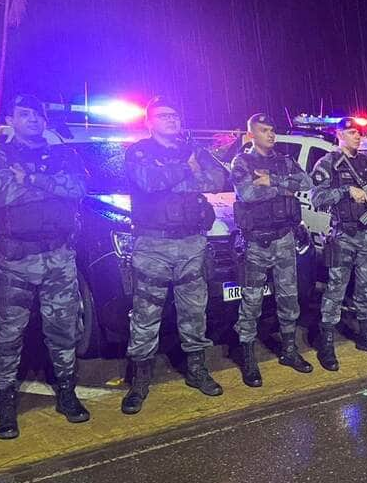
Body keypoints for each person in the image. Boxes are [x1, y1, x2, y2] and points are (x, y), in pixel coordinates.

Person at [0, 94, 89, 439]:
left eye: (38, 115)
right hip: (16, 261)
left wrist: (31, 180)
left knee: (63, 330)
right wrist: (50, 187)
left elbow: (78, 188)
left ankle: (66, 392)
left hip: (59, 258)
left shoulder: (63, 153)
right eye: (24, 115)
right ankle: (6, 403)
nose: (33, 120)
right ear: (11, 119)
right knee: (8, 335)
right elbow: (5, 195)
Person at [121, 97, 229, 414]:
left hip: (191, 243)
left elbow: (217, 179)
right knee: (145, 315)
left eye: (175, 114)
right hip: (153, 245)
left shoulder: (193, 149)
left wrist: (177, 175)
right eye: (164, 115)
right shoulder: (139, 150)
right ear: (149, 122)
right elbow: (148, 182)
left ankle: (197, 370)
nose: (172, 119)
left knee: (194, 311)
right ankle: (139, 381)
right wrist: (186, 171)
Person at [229, 113, 313, 388]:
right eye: (264, 130)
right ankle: (248, 357)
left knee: (289, 297)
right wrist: (283, 189)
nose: (270, 134)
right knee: (251, 302)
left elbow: (306, 184)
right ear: (251, 134)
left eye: (272, 129)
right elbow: (247, 195)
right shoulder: (241, 162)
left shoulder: (284, 161)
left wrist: (272, 182)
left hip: (284, 239)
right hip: (256, 243)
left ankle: (289, 350)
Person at [309, 117, 367, 369]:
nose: (357, 136)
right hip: (343, 235)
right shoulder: (328, 163)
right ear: (339, 134)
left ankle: (365, 335)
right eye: (352, 132)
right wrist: (346, 192)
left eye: (360, 132)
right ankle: (327, 344)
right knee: (336, 289)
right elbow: (317, 197)